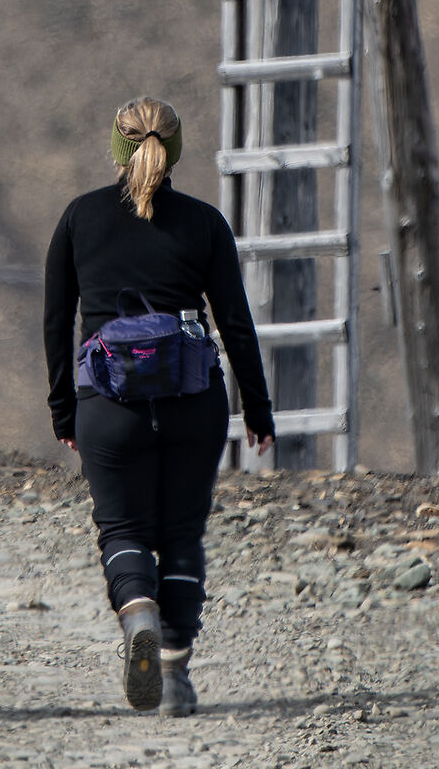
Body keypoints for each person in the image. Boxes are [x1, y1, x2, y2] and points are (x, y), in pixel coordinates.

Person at [43, 97, 275, 716]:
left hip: (107, 403)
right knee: (181, 533)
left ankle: (138, 611)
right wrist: (258, 411)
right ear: (175, 151)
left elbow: (56, 322)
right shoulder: (204, 223)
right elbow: (235, 323)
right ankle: (172, 674)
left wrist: (65, 410)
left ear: (117, 148)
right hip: (192, 401)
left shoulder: (80, 217)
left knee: (121, 529)